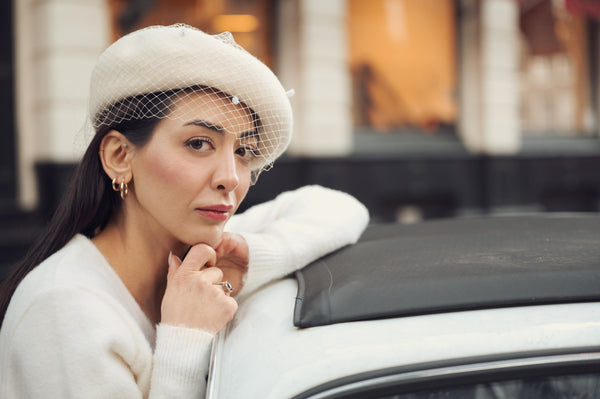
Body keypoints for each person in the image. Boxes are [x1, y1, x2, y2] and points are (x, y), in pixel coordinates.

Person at [0, 24, 369, 398]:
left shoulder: (203, 248)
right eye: (198, 143)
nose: (230, 178)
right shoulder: (64, 310)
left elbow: (341, 208)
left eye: (243, 151)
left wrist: (252, 258)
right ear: (119, 156)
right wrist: (185, 341)